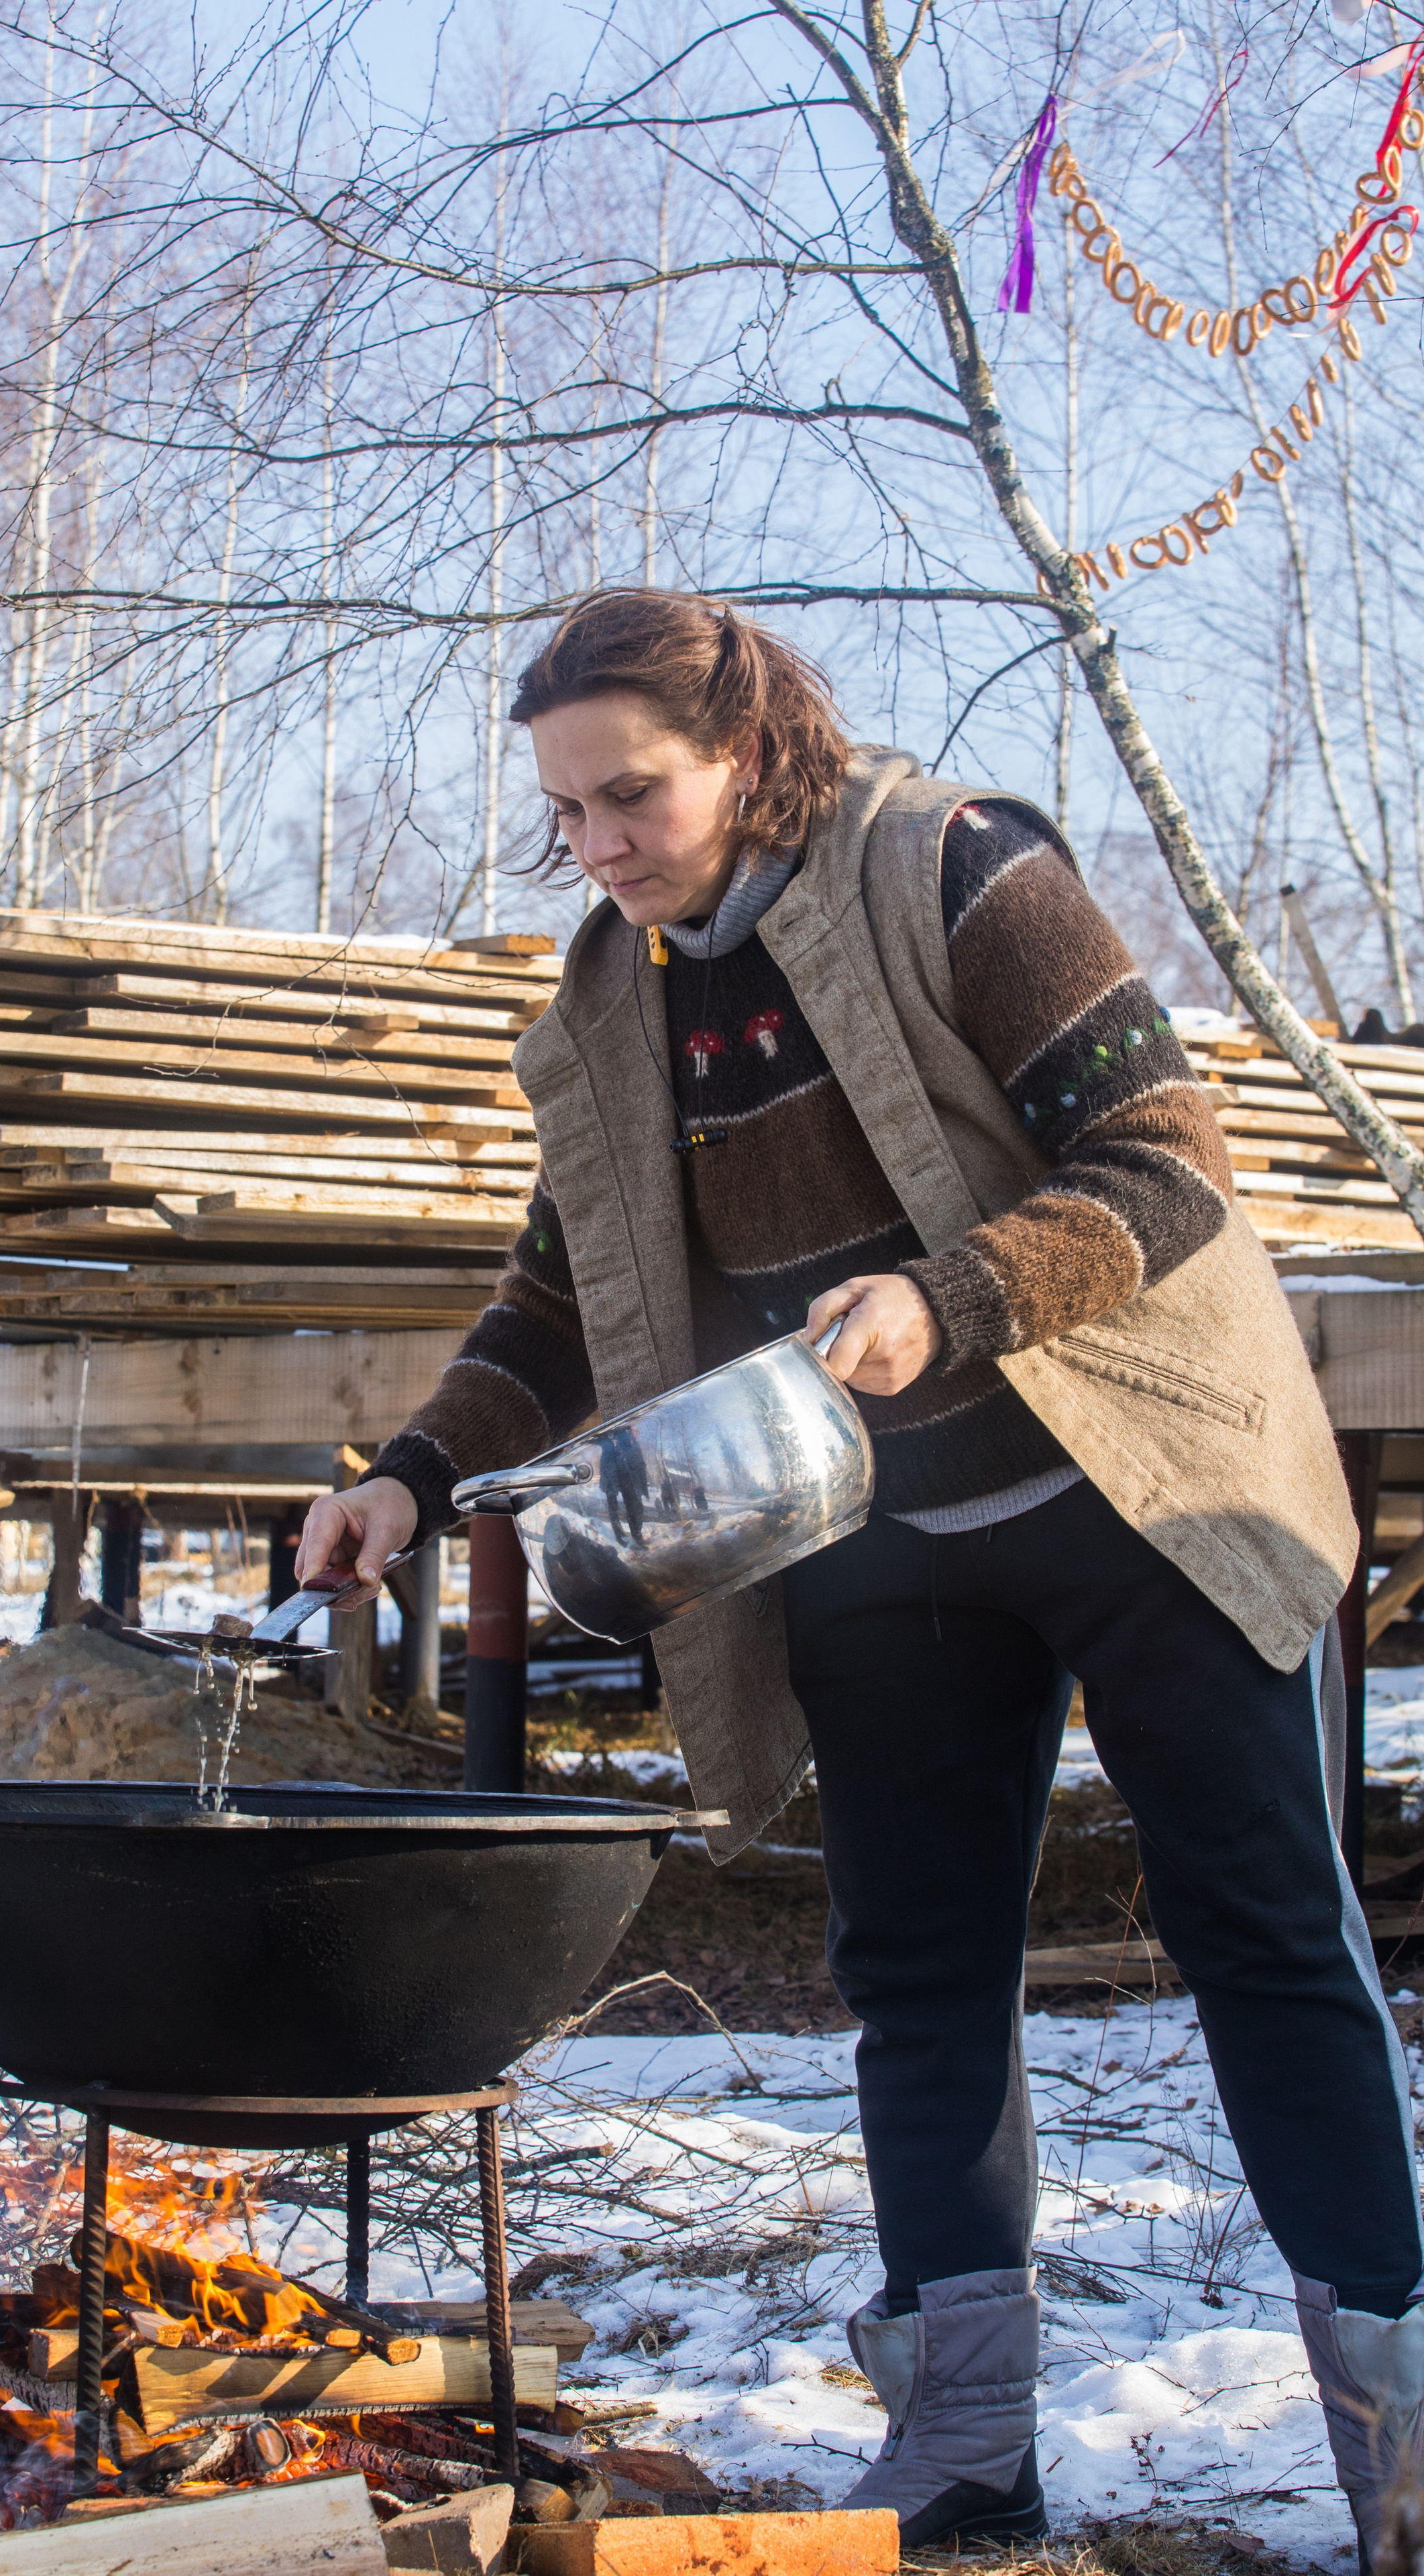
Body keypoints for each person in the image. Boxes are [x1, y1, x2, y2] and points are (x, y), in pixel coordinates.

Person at [296, 590, 1419, 2557]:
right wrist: (405, 1479)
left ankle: (1404, 2460)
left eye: (630, 794)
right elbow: (564, 1299)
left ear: (748, 746)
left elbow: (1170, 1160)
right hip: (879, 1530)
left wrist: (954, 1296)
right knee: (916, 1971)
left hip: (1140, 1480)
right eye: (567, 813)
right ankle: (967, 2448)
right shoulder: (613, 996)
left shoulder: (957, 868)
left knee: (1267, 1936)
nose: (603, 844)